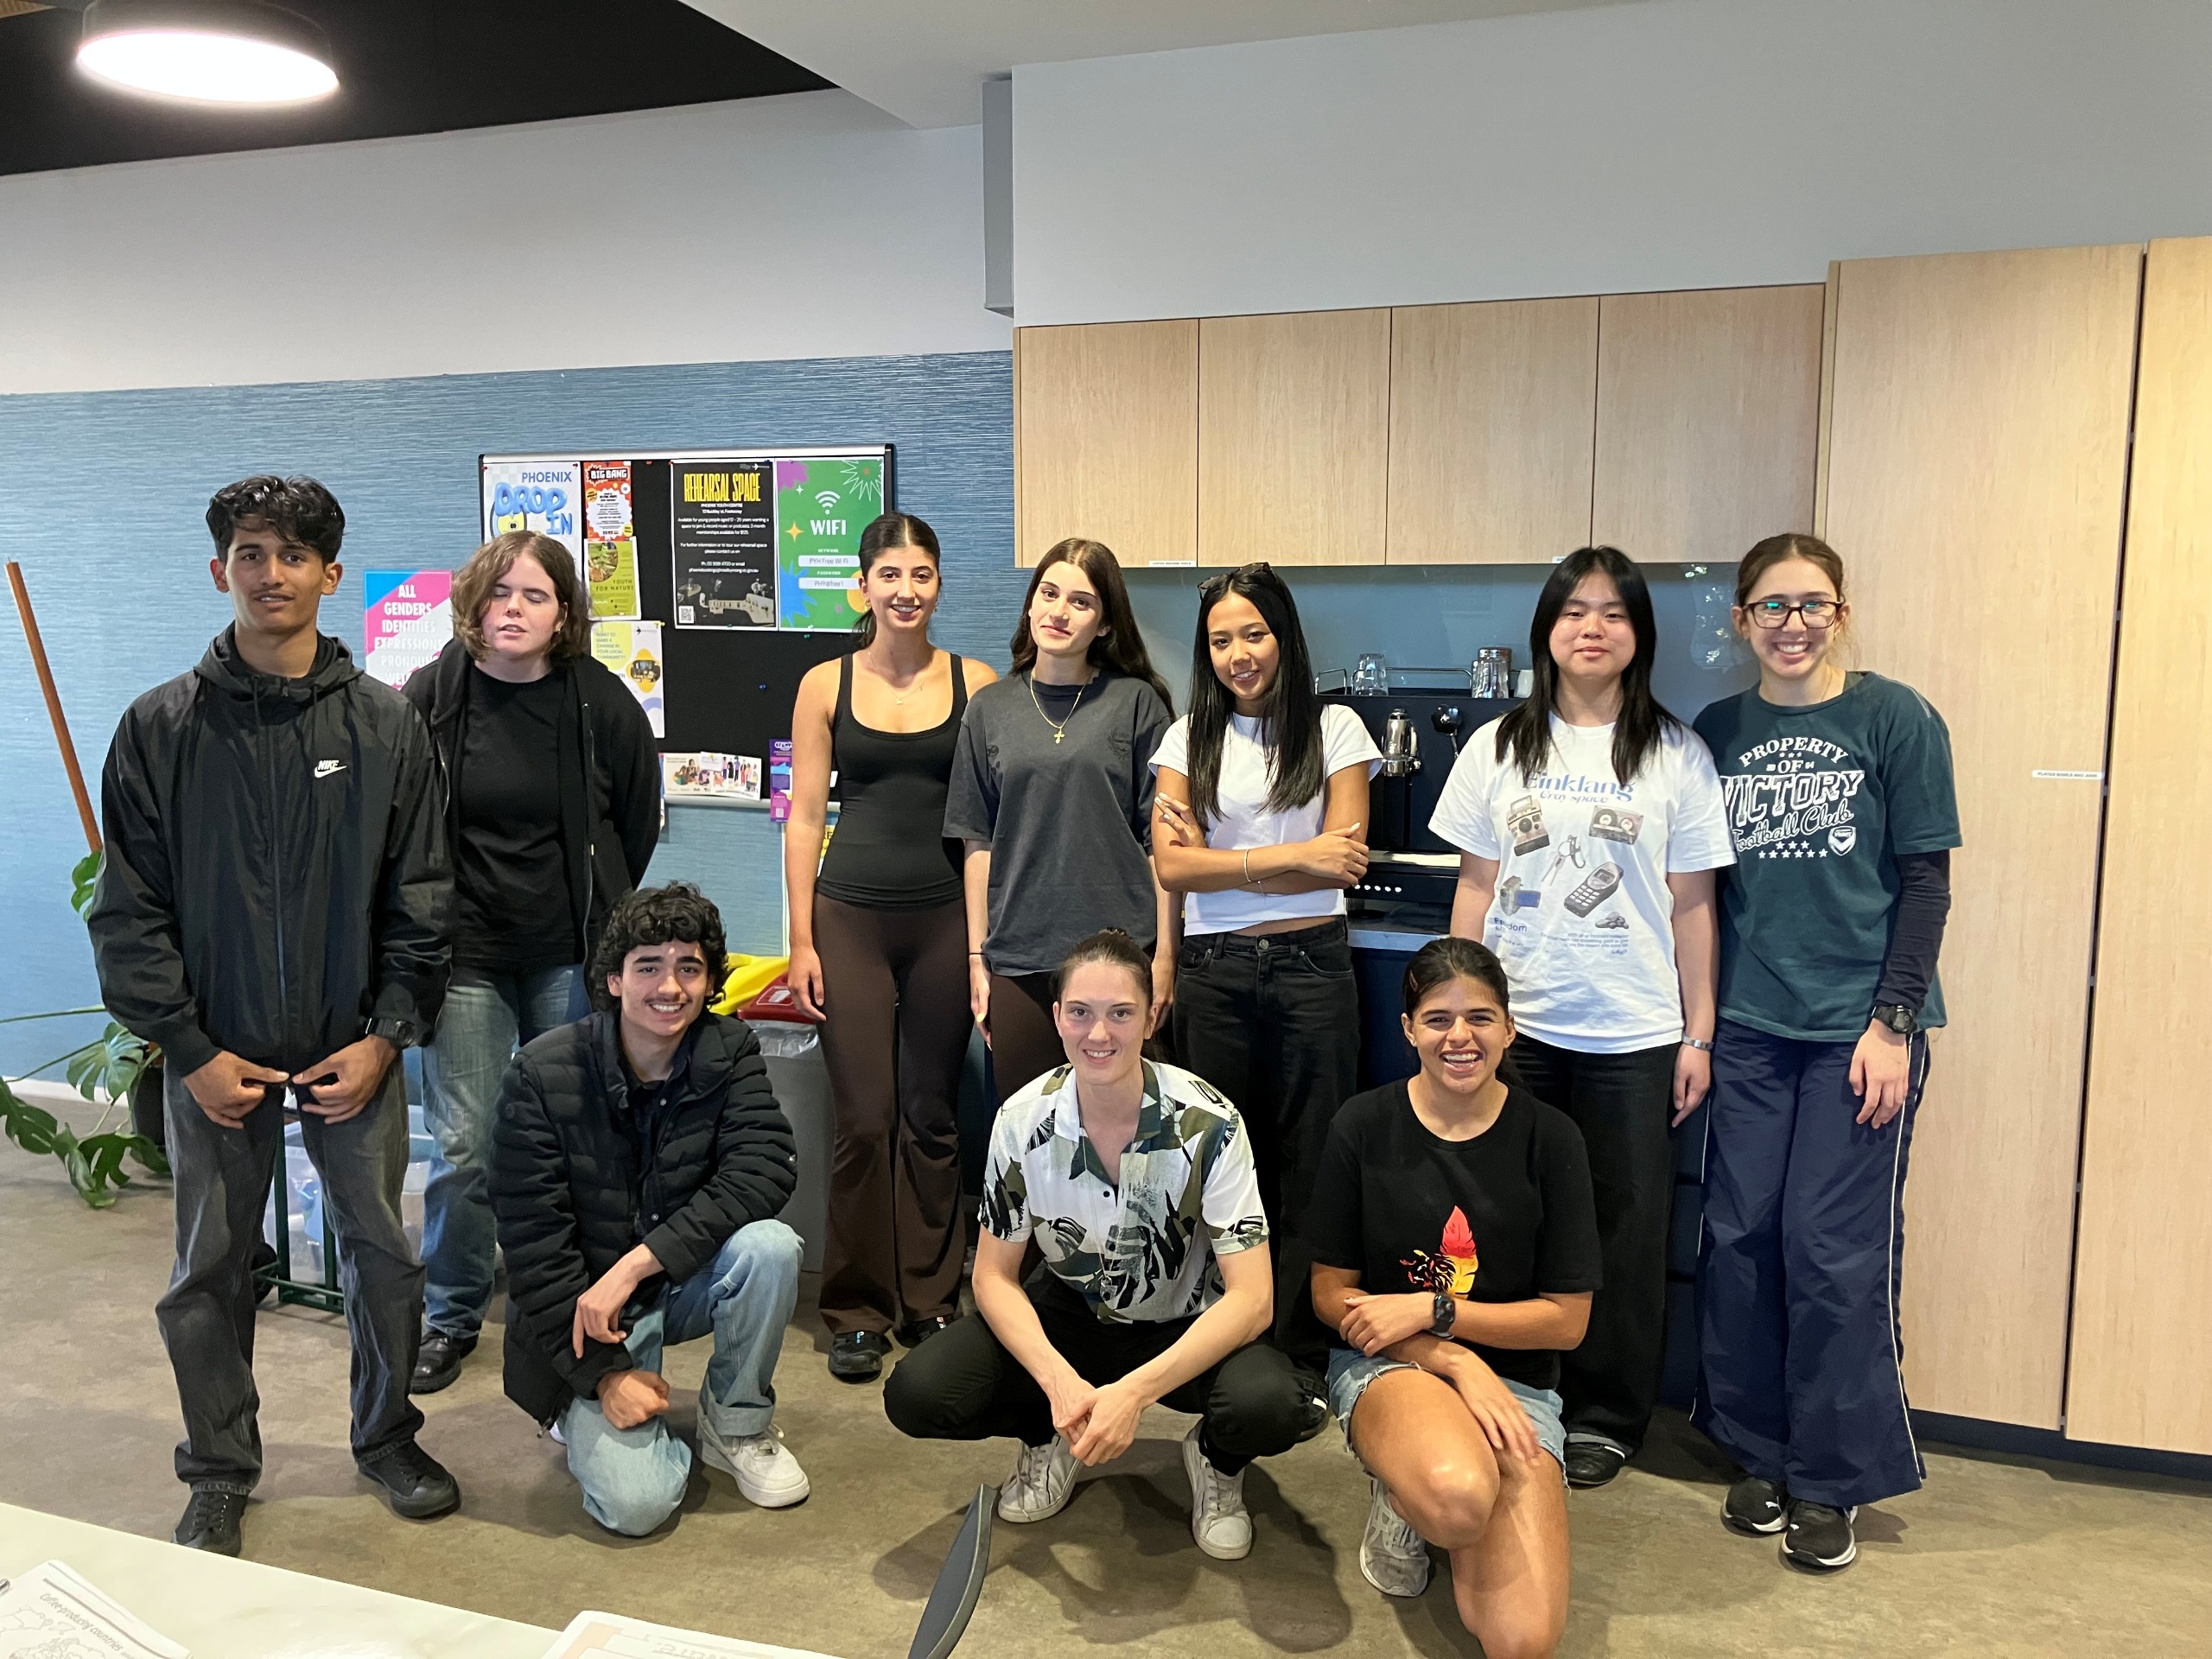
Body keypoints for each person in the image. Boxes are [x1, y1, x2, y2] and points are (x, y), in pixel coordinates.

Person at [87, 475, 455, 1558]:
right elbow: (131, 908)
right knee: (207, 1271)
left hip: (355, 1050)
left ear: (330, 576)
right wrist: (188, 1049)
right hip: (216, 1055)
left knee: (383, 1253)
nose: (272, 575)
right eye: (251, 554)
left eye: (294, 557)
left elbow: (421, 895)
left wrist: (387, 1034)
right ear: (220, 570)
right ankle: (217, 1469)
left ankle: (386, 1437)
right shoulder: (160, 729)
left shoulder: (387, 725)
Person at [1429, 545, 1734, 1489]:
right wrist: (1455, 1013)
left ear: (1637, 633)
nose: (1590, 628)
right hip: (1517, 1028)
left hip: (1631, 1033)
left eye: (1610, 612)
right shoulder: (1499, 745)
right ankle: (1508, 1382)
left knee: (1623, 1226)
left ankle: (1606, 1411)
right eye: (1572, 611)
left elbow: (1692, 907)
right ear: (1547, 629)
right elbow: (1475, 888)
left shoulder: (1675, 753)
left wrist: (1697, 1034)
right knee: (1501, 1211)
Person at [1690, 533, 1959, 1573]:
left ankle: (1833, 1476)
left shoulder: (1894, 718)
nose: (1791, 624)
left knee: (1831, 1252)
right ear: (1742, 620)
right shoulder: (1718, 729)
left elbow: (1925, 883)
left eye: (1811, 605)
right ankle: (1757, 1451)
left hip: (1859, 1033)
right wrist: (1703, 1026)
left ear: (1840, 614)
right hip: (1753, 1026)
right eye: (1771, 606)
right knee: (1741, 1233)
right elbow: (1699, 891)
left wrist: (1892, 1024)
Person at [882, 930, 1308, 1560]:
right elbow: (994, 1277)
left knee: (1272, 1404)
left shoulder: (1210, 1122)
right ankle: (1049, 1433)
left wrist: (1133, 1394)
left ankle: (1217, 1461)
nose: (1098, 1034)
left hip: (1185, 1320)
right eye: (1080, 1012)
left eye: (1120, 1013)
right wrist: (1058, 1384)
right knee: (918, 1393)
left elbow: (1253, 1300)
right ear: (1056, 1017)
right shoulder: (1022, 1120)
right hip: (1072, 1316)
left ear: (1150, 1016)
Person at [401, 531, 659, 1395]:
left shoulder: (596, 700)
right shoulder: (435, 694)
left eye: (535, 595)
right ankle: (451, 1314)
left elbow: (635, 816)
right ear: (474, 606)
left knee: (582, 1137)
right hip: (464, 952)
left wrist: (602, 913)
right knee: (466, 1144)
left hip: (568, 952)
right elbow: (400, 819)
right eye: (499, 593)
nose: (513, 609)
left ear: (562, 615)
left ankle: (587, 1301)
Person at [1307, 938, 1600, 1657]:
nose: (1460, 1037)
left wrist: (1441, 1311)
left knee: (1523, 1641)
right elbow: (1329, 1295)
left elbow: (1567, 1324)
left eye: (1481, 1018)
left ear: (1509, 1029)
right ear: (1408, 1029)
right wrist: (1453, 1360)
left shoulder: (1552, 1139)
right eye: (1437, 1019)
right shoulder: (1362, 1127)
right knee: (1458, 1496)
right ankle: (1405, 1492)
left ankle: (1430, 1495)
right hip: (1394, 1364)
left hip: (1517, 1386)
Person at [490, 882, 810, 1537]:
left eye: (689, 968)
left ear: (711, 980)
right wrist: (603, 1380)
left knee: (770, 1247)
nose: (671, 987)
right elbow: (532, 1247)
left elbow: (766, 1166)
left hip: (666, 1278)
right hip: (581, 1313)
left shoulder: (730, 1051)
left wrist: (638, 1264)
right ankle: (578, 1408)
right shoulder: (542, 1075)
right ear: (612, 980)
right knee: (638, 1507)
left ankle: (737, 1426)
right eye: (648, 967)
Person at [784, 513, 1000, 1382]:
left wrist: (987, 943)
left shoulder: (976, 683)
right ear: (862, 587)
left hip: (945, 916)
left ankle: (932, 1296)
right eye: (889, 575)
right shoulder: (822, 684)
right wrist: (800, 935)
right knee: (865, 1119)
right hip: (850, 917)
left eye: (921, 574)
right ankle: (856, 1308)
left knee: (932, 1114)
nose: (905, 590)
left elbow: (987, 822)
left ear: (938, 585)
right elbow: (804, 816)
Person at [1151, 563, 1379, 1370]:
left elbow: (1344, 861)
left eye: (1254, 634)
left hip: (1312, 965)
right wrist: (1296, 855)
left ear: (1284, 636)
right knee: (1219, 1156)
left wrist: (1227, 860)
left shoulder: (1337, 730)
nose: (1239, 653)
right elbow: (1172, 870)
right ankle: (1224, 1331)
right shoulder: (1186, 739)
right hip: (1215, 970)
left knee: (1311, 1158)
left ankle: (1296, 1348)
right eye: (1220, 640)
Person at [944, 538, 1177, 1102]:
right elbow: (979, 842)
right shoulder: (989, 708)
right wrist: (979, 958)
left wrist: (1167, 956)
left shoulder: (1137, 702)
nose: (1058, 611)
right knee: (1029, 1133)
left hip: (1121, 951)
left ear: (1103, 624)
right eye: (1049, 594)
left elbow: (1160, 845)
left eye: (1081, 602)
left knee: (1128, 1134)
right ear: (1029, 605)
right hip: (1020, 953)